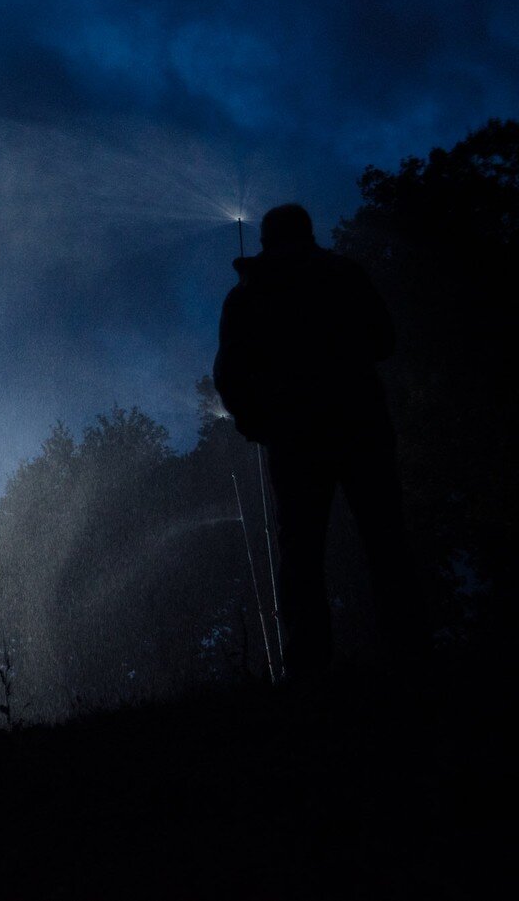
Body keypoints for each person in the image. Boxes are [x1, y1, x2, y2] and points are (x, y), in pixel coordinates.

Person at [214, 203, 427, 682]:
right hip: (360, 423)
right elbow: (384, 340)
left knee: (301, 551)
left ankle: (309, 669)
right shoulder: (344, 274)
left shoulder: (247, 294)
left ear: (266, 240)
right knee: (385, 538)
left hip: (293, 436)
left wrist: (254, 419)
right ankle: (410, 654)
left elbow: (229, 372)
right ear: (309, 233)